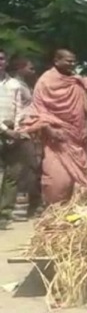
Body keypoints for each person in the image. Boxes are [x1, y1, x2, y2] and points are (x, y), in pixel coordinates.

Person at [19, 49, 87, 208]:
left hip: (77, 138)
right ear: (56, 60)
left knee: (79, 178)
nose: (72, 64)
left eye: (73, 61)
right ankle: (55, 209)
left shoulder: (74, 79)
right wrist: (50, 129)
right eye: (68, 61)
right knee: (58, 178)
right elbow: (38, 110)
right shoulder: (45, 82)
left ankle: (73, 212)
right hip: (57, 138)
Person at [7, 54, 42, 219]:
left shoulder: (24, 85)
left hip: (25, 131)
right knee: (30, 168)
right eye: (30, 67)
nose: (33, 71)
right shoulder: (17, 86)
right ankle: (33, 206)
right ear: (20, 68)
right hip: (20, 132)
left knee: (22, 170)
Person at [0, 50, 30, 228]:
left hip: (12, 134)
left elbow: (20, 107)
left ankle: (4, 214)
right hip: (3, 131)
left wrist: (17, 130)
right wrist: (4, 130)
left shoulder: (14, 84)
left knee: (12, 175)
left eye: (2, 59)